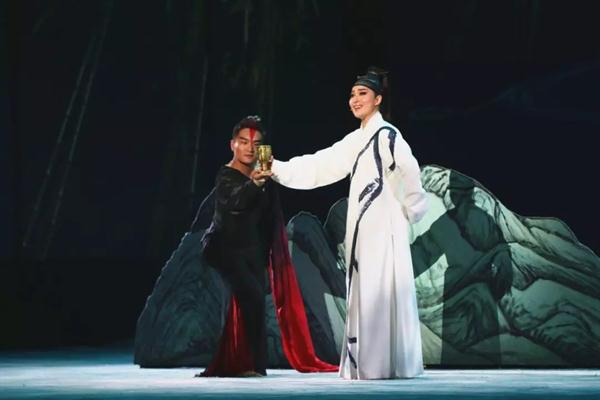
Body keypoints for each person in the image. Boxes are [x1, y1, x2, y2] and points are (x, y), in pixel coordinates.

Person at [271, 68, 429, 379]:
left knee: (380, 291)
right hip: (362, 229)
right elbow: (320, 165)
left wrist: (411, 210)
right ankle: (368, 364)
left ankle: (382, 364)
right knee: (366, 289)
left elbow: (410, 171)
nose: (355, 99)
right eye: (353, 94)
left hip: (383, 229)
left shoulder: (387, 135)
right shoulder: (356, 140)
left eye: (363, 94)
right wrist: (276, 168)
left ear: (378, 99)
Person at [196, 116, 337, 377]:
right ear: (232, 145)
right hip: (224, 248)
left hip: (250, 250)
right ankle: (247, 365)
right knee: (250, 297)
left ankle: (247, 364)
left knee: (253, 301)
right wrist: (256, 184)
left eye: (256, 144)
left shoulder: (263, 176)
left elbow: (268, 216)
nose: (250, 148)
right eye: (243, 142)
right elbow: (236, 201)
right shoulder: (226, 175)